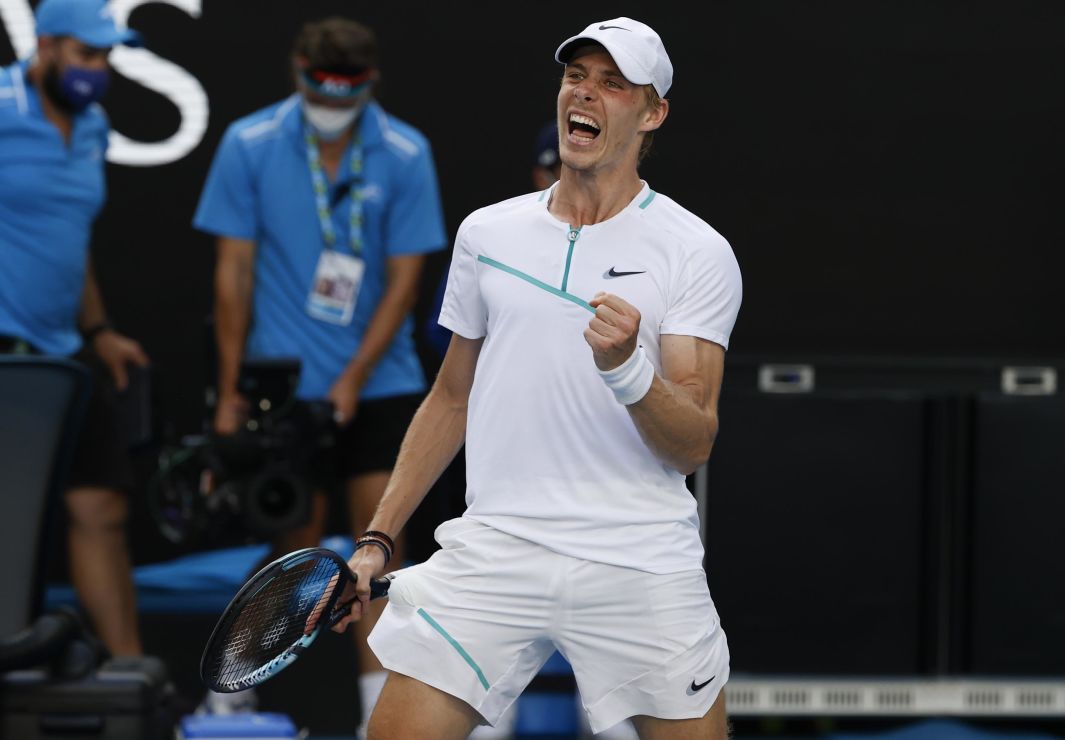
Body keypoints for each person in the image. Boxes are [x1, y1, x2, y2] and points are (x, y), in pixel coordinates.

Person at [334, 17, 743, 740]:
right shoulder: (487, 234)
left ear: (652, 114)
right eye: (576, 76)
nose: (585, 93)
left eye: (614, 84)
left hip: (637, 556)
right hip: (497, 547)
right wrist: (377, 539)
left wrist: (626, 369)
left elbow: (691, 443)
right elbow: (451, 397)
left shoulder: (696, 252)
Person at [192, 16, 446, 728]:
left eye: (346, 92)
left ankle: (378, 719)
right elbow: (232, 274)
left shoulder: (403, 151)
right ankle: (229, 698)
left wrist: (354, 377)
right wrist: (235, 388)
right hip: (285, 389)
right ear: (297, 69)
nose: (330, 103)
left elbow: (404, 282)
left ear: (371, 85)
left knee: (381, 554)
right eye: (318, 87)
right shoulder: (249, 143)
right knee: (290, 554)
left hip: (381, 385)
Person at [0, 0, 147, 658]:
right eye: (87, 55)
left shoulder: (92, 127)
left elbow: (70, 238)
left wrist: (101, 328)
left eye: (105, 58)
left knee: (101, 510)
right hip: (7, 359)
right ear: (50, 45)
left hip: (63, 356)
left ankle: (133, 685)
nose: (98, 70)